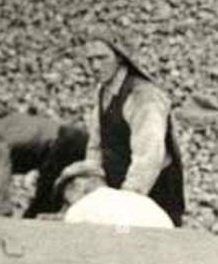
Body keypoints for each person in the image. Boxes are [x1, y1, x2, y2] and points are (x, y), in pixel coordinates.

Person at [79, 34, 186, 226]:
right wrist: (95, 181)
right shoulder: (103, 91)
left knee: (152, 246)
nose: (95, 66)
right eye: (90, 60)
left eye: (102, 58)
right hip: (118, 188)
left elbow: (149, 155)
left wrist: (127, 201)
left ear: (119, 57)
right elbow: (96, 143)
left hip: (153, 191)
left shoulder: (144, 96)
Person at [53, 161, 174, 229]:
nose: (67, 206)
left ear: (78, 185)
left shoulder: (79, 210)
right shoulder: (142, 201)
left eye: (66, 200)